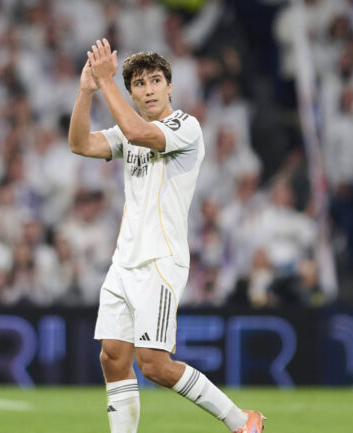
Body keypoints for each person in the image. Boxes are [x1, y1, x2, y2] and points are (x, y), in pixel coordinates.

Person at [68, 38, 265, 433]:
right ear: (132, 93)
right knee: (112, 356)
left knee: (154, 364)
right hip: (124, 260)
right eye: (139, 84)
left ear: (170, 86)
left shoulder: (185, 126)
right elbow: (79, 144)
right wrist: (85, 90)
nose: (149, 89)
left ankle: (242, 421)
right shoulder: (127, 131)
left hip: (161, 258)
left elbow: (140, 133)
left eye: (156, 80)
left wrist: (107, 82)